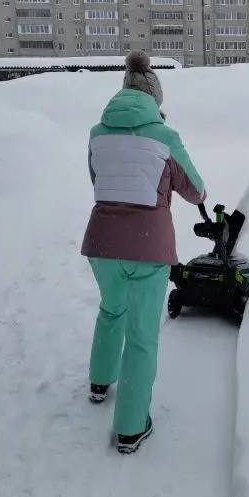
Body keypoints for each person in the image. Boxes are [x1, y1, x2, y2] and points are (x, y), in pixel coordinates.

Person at [80, 51, 206, 454]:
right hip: (149, 248)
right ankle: (132, 428)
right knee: (141, 337)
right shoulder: (165, 138)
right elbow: (195, 190)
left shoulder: (98, 133)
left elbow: (97, 178)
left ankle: (100, 383)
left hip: (100, 243)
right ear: (155, 100)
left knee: (111, 309)